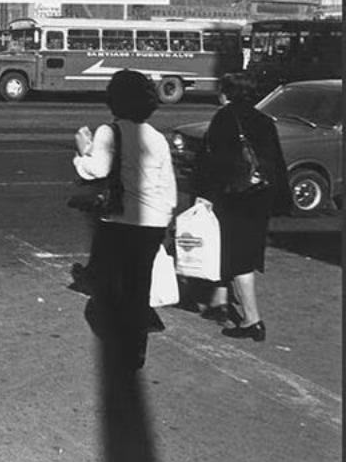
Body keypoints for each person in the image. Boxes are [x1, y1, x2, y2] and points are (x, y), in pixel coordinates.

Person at [73, 69, 176, 371]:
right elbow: (168, 187)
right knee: (139, 286)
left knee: (113, 286)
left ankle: (117, 344)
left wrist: (81, 155)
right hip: (153, 222)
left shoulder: (109, 131)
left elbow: (99, 169)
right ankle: (136, 352)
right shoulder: (157, 138)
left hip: (120, 220)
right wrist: (166, 221)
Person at [195, 71, 291, 342]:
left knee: (239, 258)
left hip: (234, 196)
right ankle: (220, 301)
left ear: (227, 92)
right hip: (260, 196)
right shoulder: (264, 120)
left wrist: (203, 196)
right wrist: (281, 200)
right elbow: (277, 162)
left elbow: (211, 163)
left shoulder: (224, 118)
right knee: (242, 251)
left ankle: (252, 320)